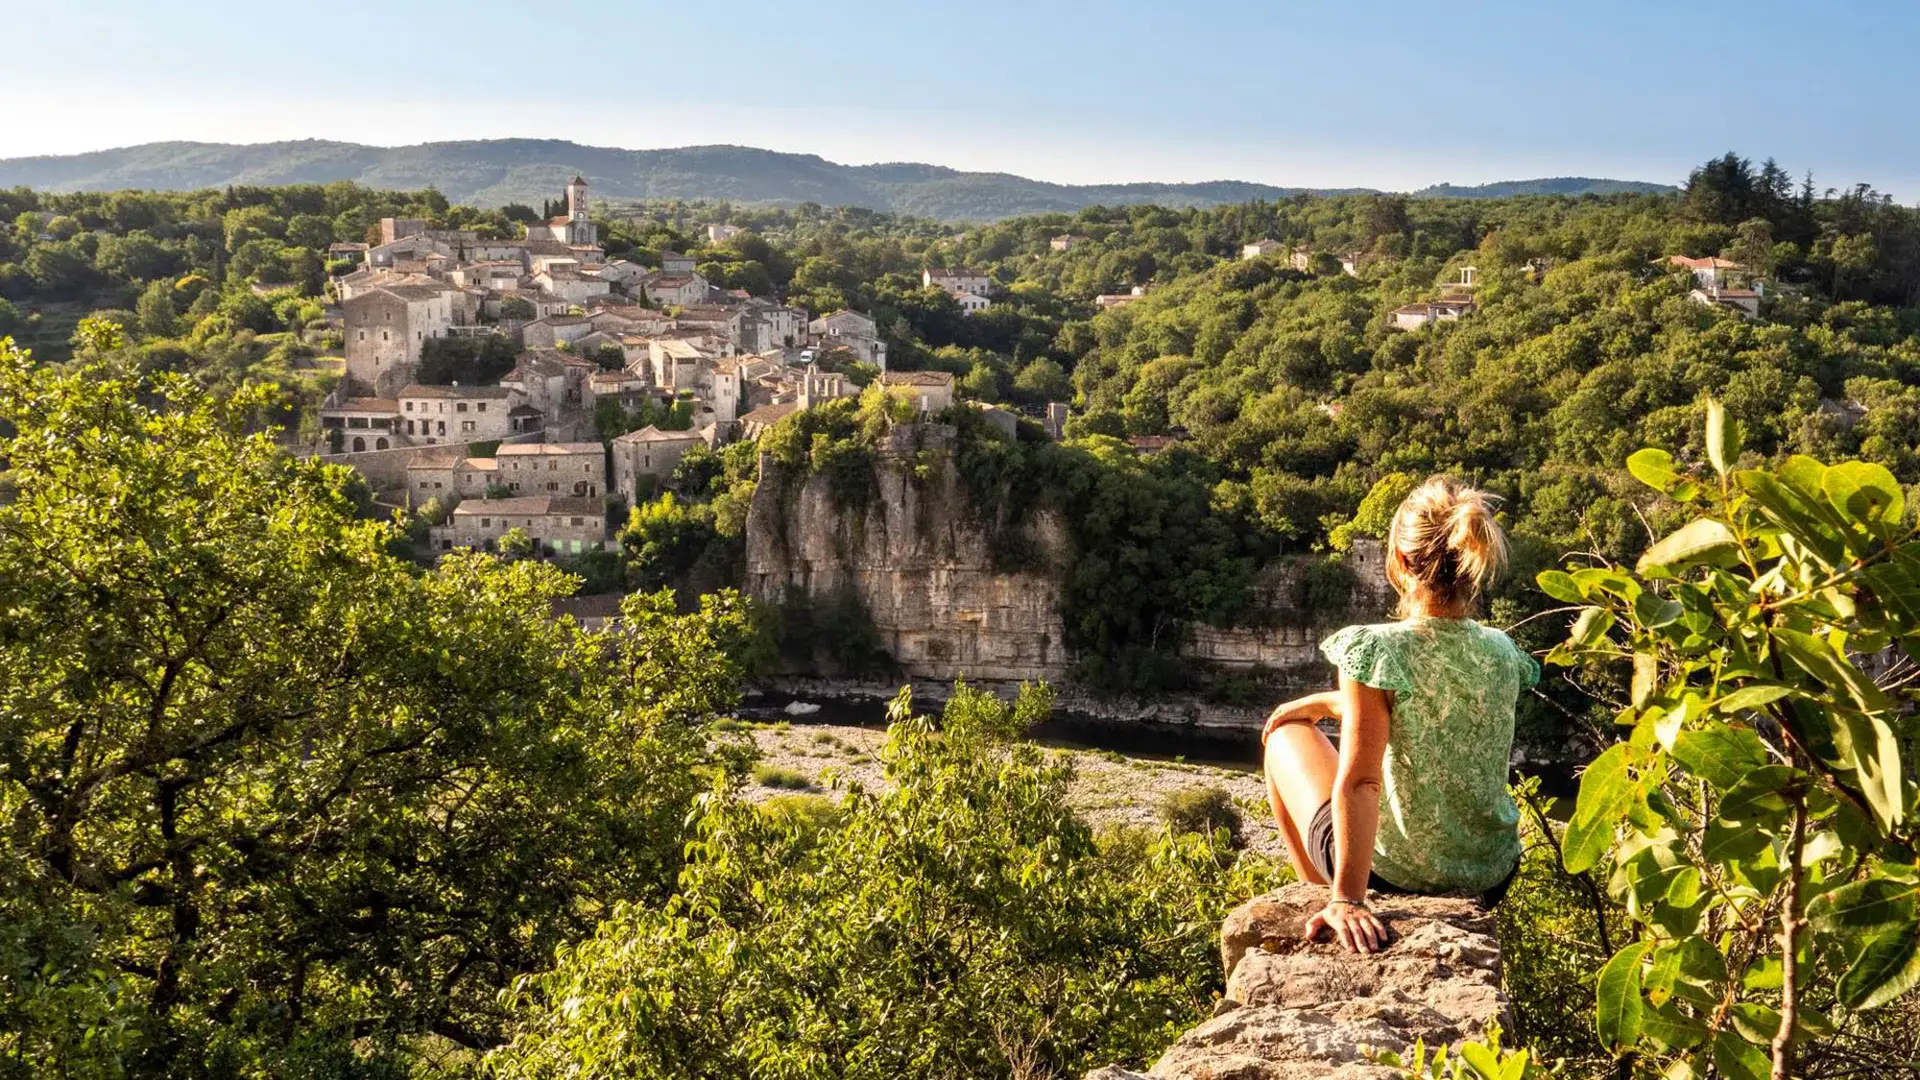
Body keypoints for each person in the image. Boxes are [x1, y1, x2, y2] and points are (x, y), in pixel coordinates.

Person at [1262, 476, 1538, 954]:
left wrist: (1350, 898)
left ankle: (1323, 898)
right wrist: (1325, 703)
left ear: (1403, 561)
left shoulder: (1377, 647)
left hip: (1398, 880)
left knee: (1284, 735)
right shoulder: (1501, 649)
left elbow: (1362, 782)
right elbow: (1436, 710)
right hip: (1492, 873)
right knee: (1301, 719)